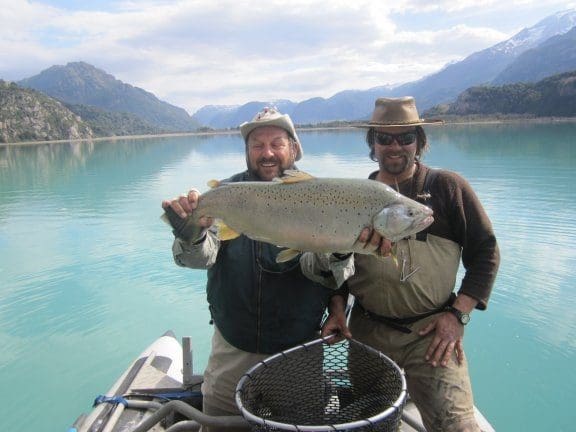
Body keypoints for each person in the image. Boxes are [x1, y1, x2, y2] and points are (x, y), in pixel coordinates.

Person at [304, 97, 500, 432]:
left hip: (433, 336)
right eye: (384, 138)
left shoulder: (449, 189)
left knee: (459, 426)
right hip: (368, 332)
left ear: (420, 142)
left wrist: (457, 315)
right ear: (373, 143)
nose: (395, 146)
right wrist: (337, 310)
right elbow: (337, 268)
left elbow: (486, 253)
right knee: (368, 425)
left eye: (406, 137)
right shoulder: (355, 199)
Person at [161, 107, 334, 431]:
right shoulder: (223, 195)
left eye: (276, 143)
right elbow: (198, 258)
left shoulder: (320, 196)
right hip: (232, 352)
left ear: (294, 148)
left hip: (299, 354)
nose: (266, 153)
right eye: (257, 145)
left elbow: (328, 271)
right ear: (246, 152)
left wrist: (338, 254)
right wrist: (190, 231)